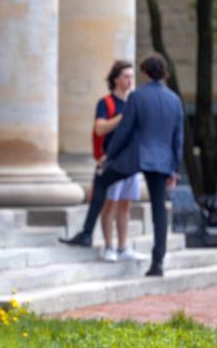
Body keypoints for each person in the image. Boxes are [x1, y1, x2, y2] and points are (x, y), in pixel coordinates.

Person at [60, 54, 184, 277]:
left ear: (145, 72)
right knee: (159, 210)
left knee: (101, 179)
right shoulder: (174, 99)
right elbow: (178, 138)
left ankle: (87, 232)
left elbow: (125, 130)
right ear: (164, 73)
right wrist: (174, 169)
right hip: (162, 161)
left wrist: (109, 156)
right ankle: (157, 263)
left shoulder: (137, 97)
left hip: (135, 157)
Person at [93, 60, 143, 263]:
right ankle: (109, 246)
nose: (130, 80)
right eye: (126, 76)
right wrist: (123, 117)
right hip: (113, 162)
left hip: (131, 162)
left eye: (132, 76)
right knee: (110, 205)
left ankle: (123, 246)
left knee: (126, 206)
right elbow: (100, 128)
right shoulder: (106, 103)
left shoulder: (135, 102)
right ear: (116, 79)